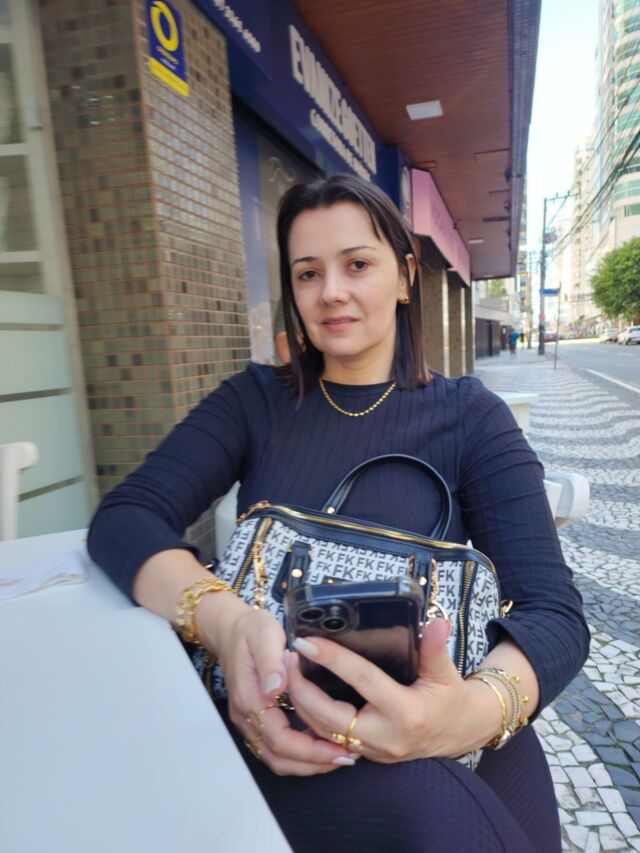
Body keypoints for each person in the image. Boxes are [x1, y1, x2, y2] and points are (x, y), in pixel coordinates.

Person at [88, 174, 589, 853]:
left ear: (405, 276)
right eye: (308, 273)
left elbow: (553, 611)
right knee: (429, 811)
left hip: (448, 703)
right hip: (279, 714)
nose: (330, 292)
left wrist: (468, 713)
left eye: (357, 264)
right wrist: (225, 622)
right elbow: (125, 517)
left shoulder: (471, 418)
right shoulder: (256, 402)